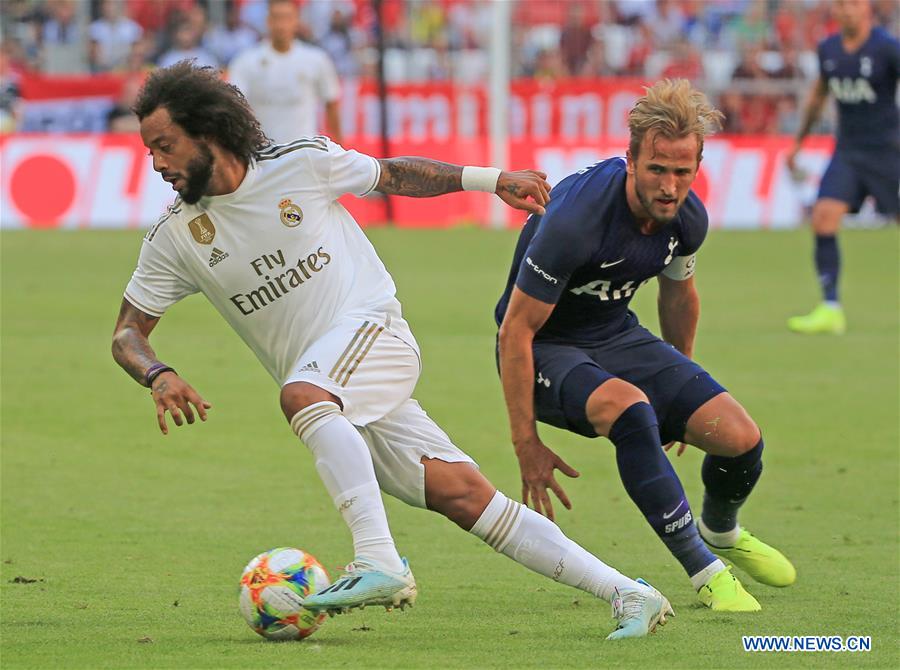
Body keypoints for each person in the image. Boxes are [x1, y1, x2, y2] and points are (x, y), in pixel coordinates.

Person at [111, 61, 674, 640]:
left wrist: (488, 179)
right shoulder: (176, 236)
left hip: (373, 336)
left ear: (206, 133)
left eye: (165, 146)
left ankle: (378, 560)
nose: (157, 164)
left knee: (301, 394)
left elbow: (394, 175)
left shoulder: (299, 165)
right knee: (466, 496)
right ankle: (630, 593)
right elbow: (127, 333)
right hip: (338, 395)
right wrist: (156, 374)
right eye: (151, 150)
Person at [495, 79, 797, 613]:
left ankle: (721, 531)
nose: (669, 185)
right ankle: (706, 572)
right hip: (546, 345)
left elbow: (680, 297)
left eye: (682, 172)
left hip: (615, 331)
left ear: (697, 170)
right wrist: (526, 442)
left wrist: (681, 387)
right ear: (631, 162)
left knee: (741, 439)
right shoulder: (576, 221)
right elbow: (515, 331)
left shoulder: (688, 220)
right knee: (632, 412)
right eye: (657, 169)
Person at [785, 0, 899, 335]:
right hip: (848, 151)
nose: (847, 10)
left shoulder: (887, 49)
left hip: (887, 153)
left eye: (853, 4)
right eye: (841, 4)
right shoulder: (829, 49)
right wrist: (798, 142)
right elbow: (819, 96)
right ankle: (831, 308)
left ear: (867, 9)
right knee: (823, 216)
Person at [229, 0, 342, 145]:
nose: (281, 25)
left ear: (296, 20)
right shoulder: (245, 61)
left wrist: (339, 145)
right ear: (268, 21)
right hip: (264, 154)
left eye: (287, 18)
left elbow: (331, 104)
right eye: (276, 18)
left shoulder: (317, 59)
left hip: (305, 153)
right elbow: (235, 104)